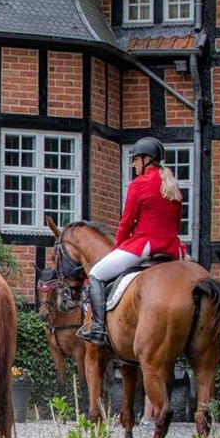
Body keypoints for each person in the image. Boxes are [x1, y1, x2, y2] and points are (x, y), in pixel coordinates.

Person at [78, 136, 185, 345]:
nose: (134, 164)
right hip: (173, 249)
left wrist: (117, 247)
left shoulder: (140, 184)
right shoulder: (173, 186)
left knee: (96, 274)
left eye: (136, 159)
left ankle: (98, 329)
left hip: (144, 246)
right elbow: (176, 222)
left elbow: (126, 222)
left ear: (146, 159)